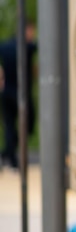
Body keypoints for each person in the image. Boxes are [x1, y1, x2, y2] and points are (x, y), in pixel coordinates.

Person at [0, 22, 37, 170]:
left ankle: (8, 155)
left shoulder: (5, 46)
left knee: (10, 127)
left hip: (5, 92)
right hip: (21, 94)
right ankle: (9, 154)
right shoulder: (27, 47)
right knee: (28, 123)